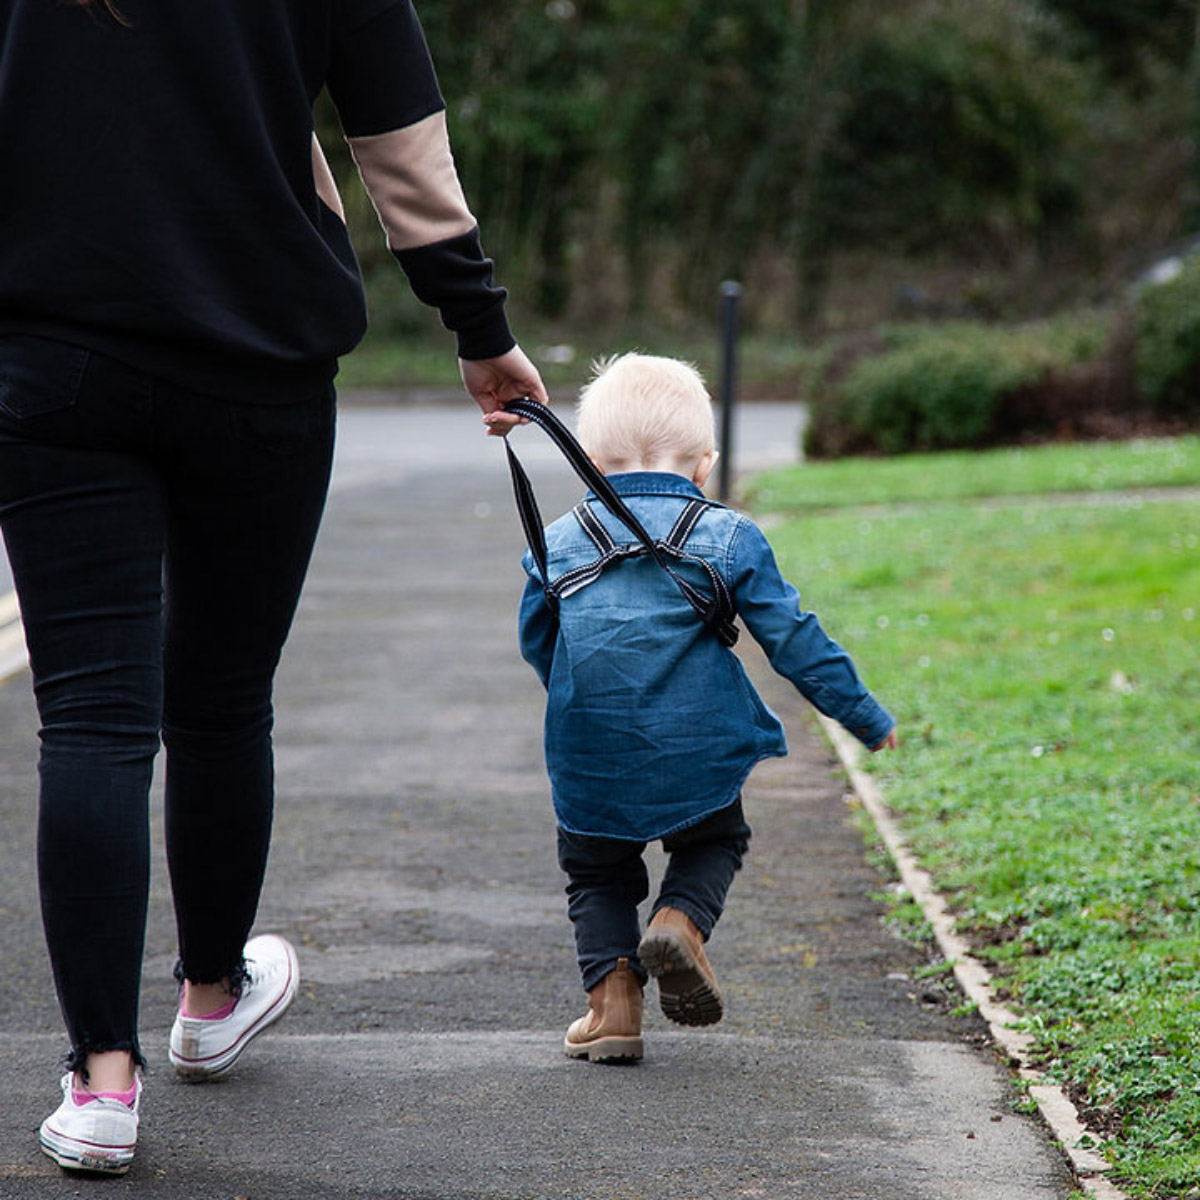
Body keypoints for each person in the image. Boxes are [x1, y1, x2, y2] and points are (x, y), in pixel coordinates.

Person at [0, 0, 547, 1175]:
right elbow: (402, 145)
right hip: (259, 366)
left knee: (92, 719)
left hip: (52, 363)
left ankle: (101, 1084)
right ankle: (208, 1001)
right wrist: (480, 328)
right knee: (220, 699)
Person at [502, 353, 895, 1064]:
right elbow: (793, 640)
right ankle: (681, 922)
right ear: (704, 465)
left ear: (590, 460)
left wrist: (581, 694)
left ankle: (612, 1008)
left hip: (591, 751)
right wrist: (864, 715)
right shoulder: (729, 537)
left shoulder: (555, 543)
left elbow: (538, 641)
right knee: (714, 839)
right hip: (699, 751)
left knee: (596, 872)